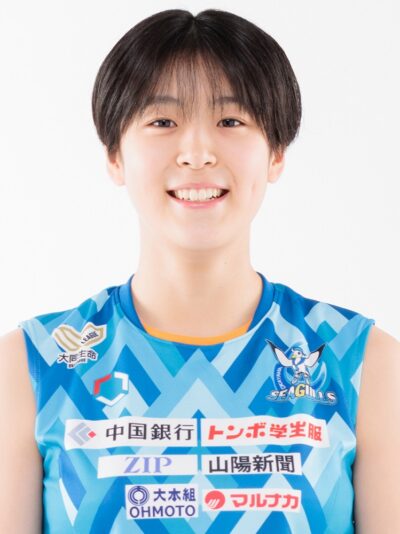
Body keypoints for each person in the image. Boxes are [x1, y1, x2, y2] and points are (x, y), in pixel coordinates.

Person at [1, 8, 399, 534]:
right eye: (162, 122)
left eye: (230, 121)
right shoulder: (30, 366)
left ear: (276, 153)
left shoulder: (364, 362)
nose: (196, 153)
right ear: (115, 155)